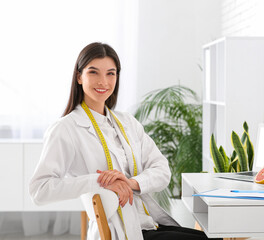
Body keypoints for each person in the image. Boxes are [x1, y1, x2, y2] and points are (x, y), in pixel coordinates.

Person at [29, 42, 219, 240]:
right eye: (94, 72)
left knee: (215, 235)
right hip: (120, 232)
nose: (103, 81)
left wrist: (130, 183)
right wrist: (100, 182)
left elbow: (162, 171)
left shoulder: (127, 122)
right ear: (79, 77)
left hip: (149, 223)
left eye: (111, 73)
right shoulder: (66, 128)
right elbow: (39, 190)